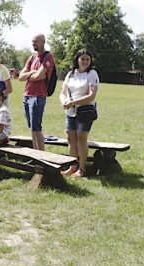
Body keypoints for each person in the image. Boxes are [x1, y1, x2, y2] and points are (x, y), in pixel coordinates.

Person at [58, 49, 99, 178]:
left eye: (87, 59)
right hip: (70, 111)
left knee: (81, 139)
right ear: (77, 60)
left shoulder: (92, 74)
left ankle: (82, 169)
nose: (85, 61)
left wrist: (73, 102)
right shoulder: (70, 74)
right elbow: (62, 92)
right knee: (71, 139)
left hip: (85, 111)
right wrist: (64, 102)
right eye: (82, 59)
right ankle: (72, 167)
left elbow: (91, 96)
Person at [18, 34, 55, 151]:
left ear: (43, 42)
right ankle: (35, 155)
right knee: (32, 128)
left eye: (36, 41)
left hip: (38, 97)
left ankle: (41, 157)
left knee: (36, 128)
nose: (34, 44)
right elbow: (20, 76)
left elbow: (39, 76)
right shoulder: (32, 58)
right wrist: (32, 73)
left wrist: (29, 74)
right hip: (27, 96)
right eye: (32, 42)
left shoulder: (48, 57)